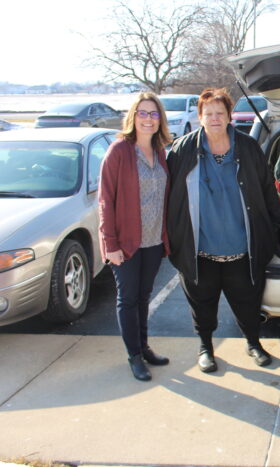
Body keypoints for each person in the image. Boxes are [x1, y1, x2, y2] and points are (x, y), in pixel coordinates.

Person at [166, 88, 280, 373]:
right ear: (200, 117)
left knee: (248, 302)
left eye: (220, 113)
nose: (215, 118)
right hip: (200, 250)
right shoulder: (183, 150)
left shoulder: (247, 147)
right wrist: (172, 239)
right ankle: (206, 348)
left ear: (230, 116)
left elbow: (268, 189)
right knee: (202, 304)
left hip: (242, 249)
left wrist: (276, 228)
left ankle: (253, 343)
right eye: (209, 114)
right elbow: (168, 196)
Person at [98, 92, 172, 381]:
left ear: (160, 120)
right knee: (127, 299)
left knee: (143, 297)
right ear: (133, 117)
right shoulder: (119, 151)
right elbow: (105, 200)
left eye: (154, 114)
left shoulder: (160, 151)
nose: (148, 119)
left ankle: (144, 346)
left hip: (153, 241)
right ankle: (134, 357)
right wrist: (110, 244)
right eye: (142, 113)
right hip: (125, 243)